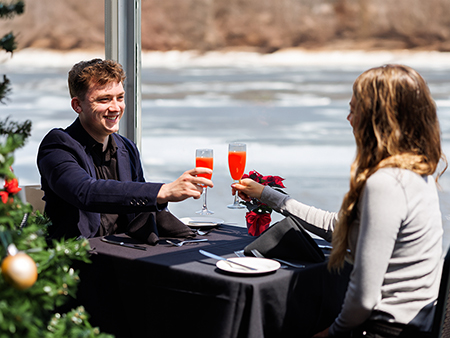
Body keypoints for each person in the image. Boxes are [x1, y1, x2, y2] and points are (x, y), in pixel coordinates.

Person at [232, 64, 447, 337]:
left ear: (378, 119)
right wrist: (267, 195)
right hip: (417, 324)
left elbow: (364, 296)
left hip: (385, 329)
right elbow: (338, 226)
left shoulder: (387, 183)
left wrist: (332, 333)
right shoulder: (416, 171)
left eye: (355, 109)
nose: (348, 118)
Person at [37, 58, 213, 240]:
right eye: (104, 99)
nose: (115, 108)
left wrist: (191, 236)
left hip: (124, 253)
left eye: (119, 98)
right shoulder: (58, 145)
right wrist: (162, 191)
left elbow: (140, 210)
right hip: (76, 260)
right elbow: (85, 192)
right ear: (77, 105)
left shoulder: (127, 148)